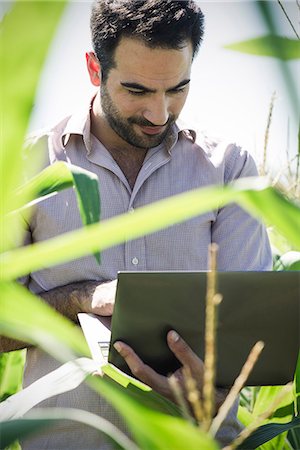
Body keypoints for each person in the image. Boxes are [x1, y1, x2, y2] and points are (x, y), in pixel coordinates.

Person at [0, 0, 272, 448]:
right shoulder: (30, 167)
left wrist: (216, 391)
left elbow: (254, 330)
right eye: (138, 91)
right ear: (94, 68)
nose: (160, 114)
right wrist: (81, 299)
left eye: (178, 89)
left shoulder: (229, 170)